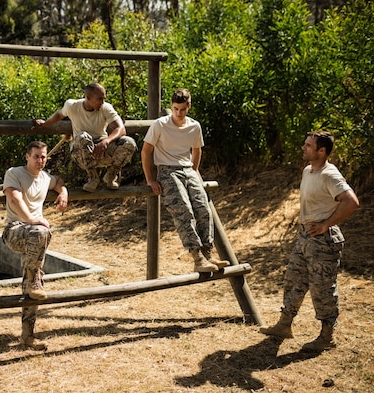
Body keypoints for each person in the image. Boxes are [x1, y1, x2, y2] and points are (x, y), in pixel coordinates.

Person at [260, 131, 359, 351]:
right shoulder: (308, 170)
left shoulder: (329, 174)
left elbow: (351, 201)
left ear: (321, 151)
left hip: (323, 241)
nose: (303, 148)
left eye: (308, 145)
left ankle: (326, 337)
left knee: (322, 289)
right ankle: (284, 325)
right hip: (305, 238)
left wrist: (326, 224)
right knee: (293, 280)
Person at [141, 88, 229, 273]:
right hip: (167, 170)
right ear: (171, 107)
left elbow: (197, 150)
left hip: (188, 169)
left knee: (203, 208)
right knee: (184, 210)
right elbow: (146, 151)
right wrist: (150, 179)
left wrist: (194, 171)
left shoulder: (194, 126)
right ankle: (197, 257)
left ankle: (208, 253)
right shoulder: (160, 125)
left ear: (188, 106)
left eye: (182, 109)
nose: (178, 113)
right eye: (175, 109)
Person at [2, 141, 68, 350]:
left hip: (38, 235)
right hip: (15, 230)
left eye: (44, 157)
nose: (41, 160)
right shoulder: (14, 173)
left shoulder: (45, 177)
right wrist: (31, 219)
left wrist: (63, 192)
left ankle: (28, 335)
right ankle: (34, 277)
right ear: (27, 156)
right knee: (41, 233)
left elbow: (58, 181)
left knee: (33, 281)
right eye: (37, 156)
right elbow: (14, 199)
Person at [34, 82, 137, 192]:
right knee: (82, 137)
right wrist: (45, 123)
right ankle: (92, 177)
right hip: (82, 152)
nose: (102, 102)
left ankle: (111, 175)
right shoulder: (72, 106)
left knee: (129, 143)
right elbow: (60, 114)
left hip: (102, 149)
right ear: (88, 97)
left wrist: (106, 141)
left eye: (104, 99)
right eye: (99, 99)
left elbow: (121, 129)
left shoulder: (106, 108)